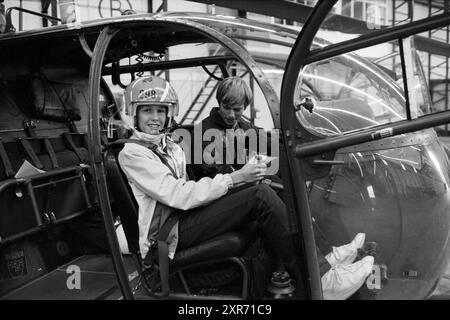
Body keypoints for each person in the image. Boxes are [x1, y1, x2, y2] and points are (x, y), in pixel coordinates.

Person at [187, 76, 376, 299]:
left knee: (287, 189)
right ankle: (322, 273)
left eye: (237, 110)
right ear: (219, 103)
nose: (230, 114)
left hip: (232, 189)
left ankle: (325, 255)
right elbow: (214, 178)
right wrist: (246, 177)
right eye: (226, 108)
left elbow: (269, 140)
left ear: (245, 107)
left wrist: (304, 142)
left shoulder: (239, 126)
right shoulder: (204, 133)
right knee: (271, 192)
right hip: (216, 199)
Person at [117, 75, 304, 297]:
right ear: (134, 113)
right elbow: (178, 194)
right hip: (168, 232)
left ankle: (307, 265)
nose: (155, 118)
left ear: (169, 113)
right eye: (147, 111)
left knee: (266, 189)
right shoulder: (133, 153)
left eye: (160, 111)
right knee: (260, 195)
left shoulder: (170, 146)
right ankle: (310, 276)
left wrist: (245, 178)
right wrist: (236, 178)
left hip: (183, 216)